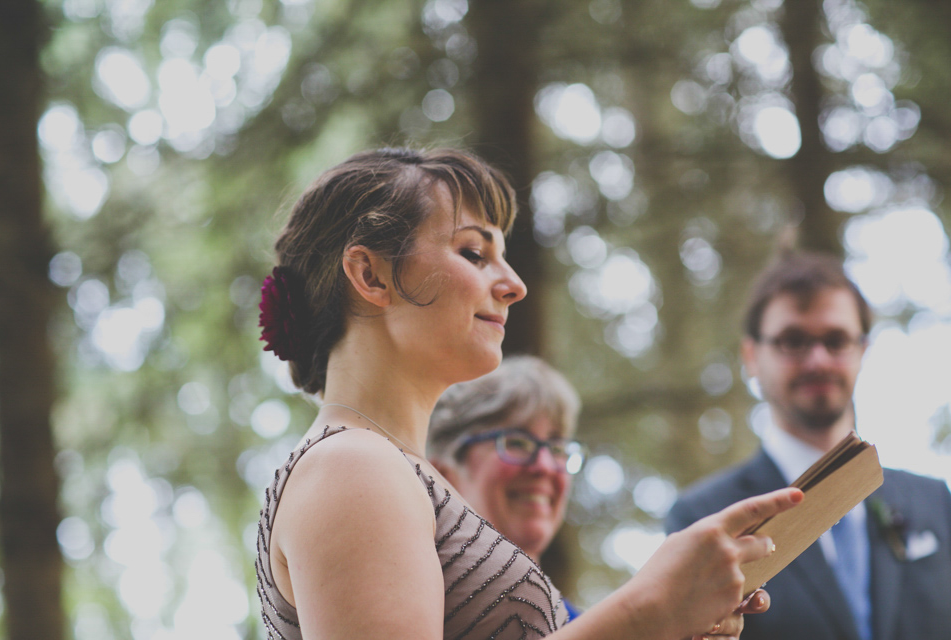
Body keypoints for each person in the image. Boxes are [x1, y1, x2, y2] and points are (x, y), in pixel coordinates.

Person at [253, 146, 802, 640]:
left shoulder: (386, 470)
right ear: (371, 276)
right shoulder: (352, 466)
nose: (513, 284)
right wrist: (646, 610)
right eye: (473, 252)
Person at [665, 251, 951, 640]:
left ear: (863, 351)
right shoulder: (703, 518)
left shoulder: (934, 500)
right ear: (751, 356)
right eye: (793, 341)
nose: (818, 360)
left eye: (836, 340)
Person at [427, 355, 586, 620]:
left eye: (557, 448)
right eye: (517, 443)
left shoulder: (577, 622)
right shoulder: (418, 610)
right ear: (444, 475)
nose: (545, 466)